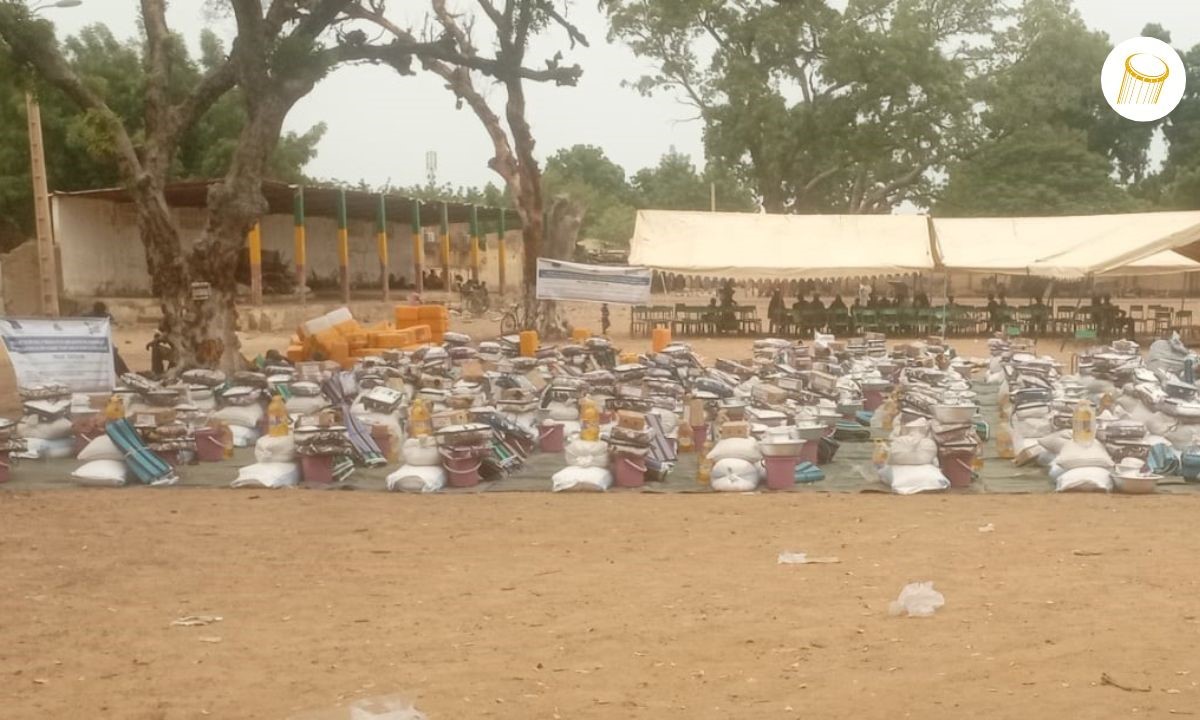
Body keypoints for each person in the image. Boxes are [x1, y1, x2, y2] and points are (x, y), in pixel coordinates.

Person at [85, 302, 130, 375]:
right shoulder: (106, 316)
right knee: (114, 356)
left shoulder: (88, 315)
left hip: (92, 341)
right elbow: (115, 325)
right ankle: (125, 374)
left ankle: (124, 373)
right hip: (103, 342)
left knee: (113, 355)